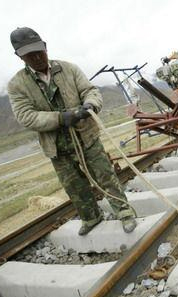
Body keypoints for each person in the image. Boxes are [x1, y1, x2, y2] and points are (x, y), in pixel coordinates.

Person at [7, 27, 137, 235]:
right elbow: (26, 116)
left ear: (45, 46)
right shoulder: (16, 85)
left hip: (86, 136)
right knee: (75, 186)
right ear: (20, 57)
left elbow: (90, 90)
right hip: (57, 146)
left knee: (105, 176)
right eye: (30, 55)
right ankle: (91, 217)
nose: (38, 57)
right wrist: (60, 118)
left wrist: (91, 105)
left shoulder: (69, 69)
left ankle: (124, 212)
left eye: (40, 50)